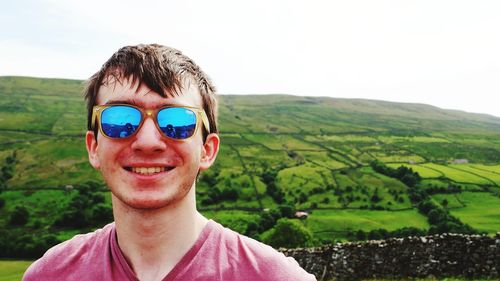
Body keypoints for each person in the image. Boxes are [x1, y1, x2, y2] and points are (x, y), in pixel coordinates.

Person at [23, 44, 316, 281]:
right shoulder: (50, 274)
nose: (148, 141)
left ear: (207, 150)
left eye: (177, 120)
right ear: (94, 147)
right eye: (120, 120)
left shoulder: (275, 277)